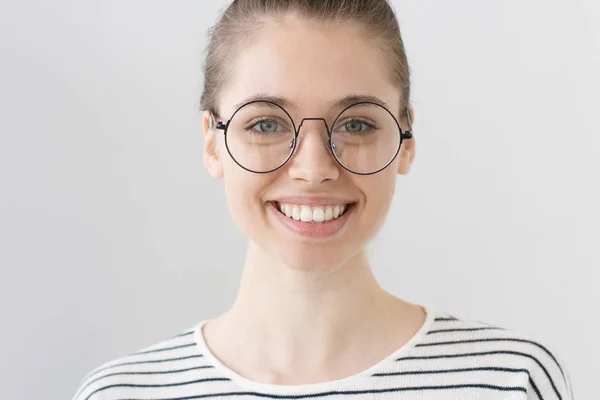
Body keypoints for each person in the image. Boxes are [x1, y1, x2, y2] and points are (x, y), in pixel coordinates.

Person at [72, 0, 574, 399]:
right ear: (212, 143)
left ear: (406, 137)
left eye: (356, 123)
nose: (313, 170)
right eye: (265, 123)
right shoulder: (122, 394)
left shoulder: (511, 382)